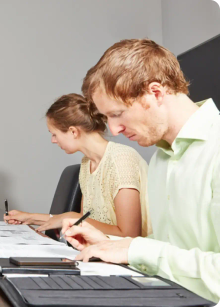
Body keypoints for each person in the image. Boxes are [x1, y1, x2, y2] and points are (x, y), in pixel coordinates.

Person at [62, 38, 220, 303]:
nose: (113, 130)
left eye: (118, 114)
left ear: (156, 93)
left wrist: (135, 249)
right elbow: (173, 247)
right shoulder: (161, 158)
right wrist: (108, 243)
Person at [4, 94, 151, 238]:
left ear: (73, 131)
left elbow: (128, 234)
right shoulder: (87, 164)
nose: (53, 140)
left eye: (54, 134)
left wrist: (71, 217)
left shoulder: (121, 160)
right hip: (101, 254)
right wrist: (30, 218)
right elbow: (85, 221)